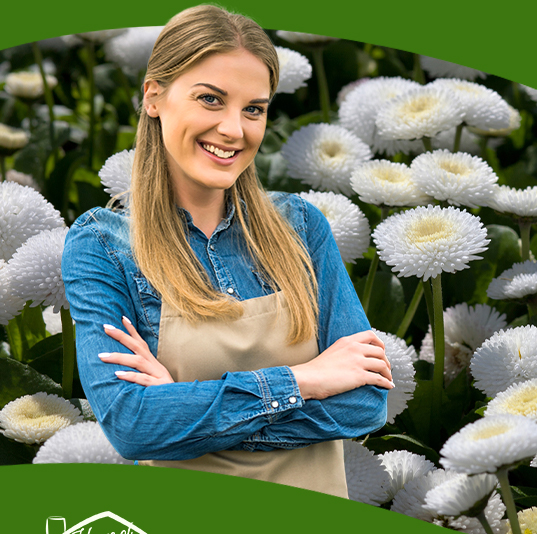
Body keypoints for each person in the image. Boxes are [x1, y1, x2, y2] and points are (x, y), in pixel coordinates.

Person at [61, 5, 391, 498]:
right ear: (154, 97)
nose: (234, 130)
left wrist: (184, 416)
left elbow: (364, 403)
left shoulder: (301, 227)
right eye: (211, 100)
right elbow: (132, 425)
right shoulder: (104, 246)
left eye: (253, 109)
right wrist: (306, 380)